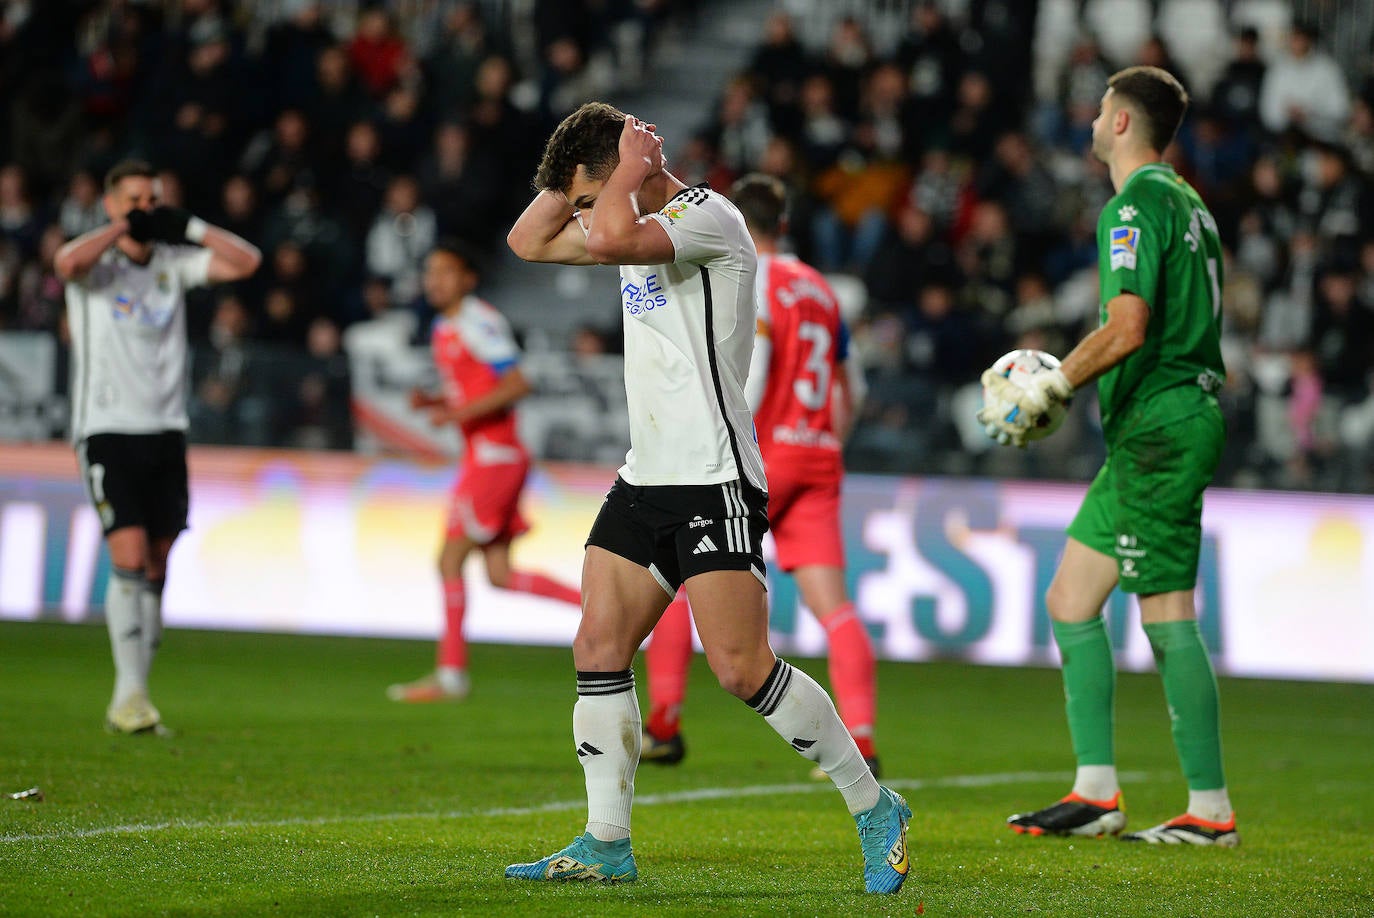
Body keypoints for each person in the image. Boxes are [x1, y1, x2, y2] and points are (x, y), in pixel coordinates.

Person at [502, 102, 911, 893]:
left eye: (589, 198)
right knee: (598, 649)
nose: (584, 219)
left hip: (715, 476)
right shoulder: (625, 216)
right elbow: (526, 241)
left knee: (740, 669)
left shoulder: (708, 216)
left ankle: (874, 805)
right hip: (646, 476)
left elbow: (615, 232)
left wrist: (622, 169)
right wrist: (580, 172)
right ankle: (606, 841)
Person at [979, 66, 1238, 846]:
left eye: (1099, 111)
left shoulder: (1136, 204)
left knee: (1165, 611)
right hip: (1157, 424)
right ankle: (1096, 792)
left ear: (1122, 123)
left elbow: (1128, 326)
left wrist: (1052, 381)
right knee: (1069, 598)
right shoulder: (1191, 205)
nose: (1092, 121)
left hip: (1161, 422)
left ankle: (1210, 810)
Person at [640, 173, 881, 781]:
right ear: (787, 221)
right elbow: (852, 388)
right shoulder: (824, 292)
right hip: (819, 454)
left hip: (759, 452)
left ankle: (664, 725)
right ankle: (864, 739)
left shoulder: (748, 271)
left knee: (679, 571)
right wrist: (824, 444)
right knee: (835, 607)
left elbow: (755, 363)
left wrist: (726, 438)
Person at [55, 159, 262, 734]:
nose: (144, 208)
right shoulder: (96, 264)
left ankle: (138, 695)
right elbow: (65, 262)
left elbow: (247, 263)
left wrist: (188, 226)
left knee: (155, 562)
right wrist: (123, 228)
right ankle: (128, 697)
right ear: (110, 204)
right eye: (133, 199)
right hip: (106, 426)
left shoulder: (174, 263)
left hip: (166, 429)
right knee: (126, 554)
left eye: (152, 199)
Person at [387, 239, 582, 702]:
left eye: (444, 271)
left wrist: (457, 415)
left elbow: (516, 383)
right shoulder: (444, 327)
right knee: (498, 574)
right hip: (489, 454)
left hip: (495, 456)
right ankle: (599, 609)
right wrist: (438, 402)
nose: (434, 280)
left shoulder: (478, 321)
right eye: (429, 272)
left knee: (449, 559)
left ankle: (451, 676)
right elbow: (477, 389)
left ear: (467, 279)